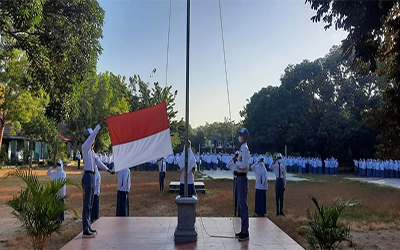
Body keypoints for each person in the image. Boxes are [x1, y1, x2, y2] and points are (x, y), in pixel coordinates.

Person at [81, 123, 115, 238]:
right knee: (86, 204)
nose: (93, 140)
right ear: (86, 138)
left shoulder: (91, 151)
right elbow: (93, 135)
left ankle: (88, 226)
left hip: (92, 176)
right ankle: (85, 229)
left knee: (90, 203)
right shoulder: (85, 147)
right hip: (87, 176)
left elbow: (99, 162)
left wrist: (108, 170)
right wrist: (99, 125)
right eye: (90, 137)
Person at [233, 128, 250, 242]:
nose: (239, 136)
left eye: (241, 135)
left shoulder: (244, 148)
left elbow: (244, 165)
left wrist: (236, 162)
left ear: (245, 137)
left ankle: (245, 231)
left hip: (242, 177)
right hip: (239, 177)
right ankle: (243, 229)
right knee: (240, 204)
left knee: (243, 205)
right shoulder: (242, 148)